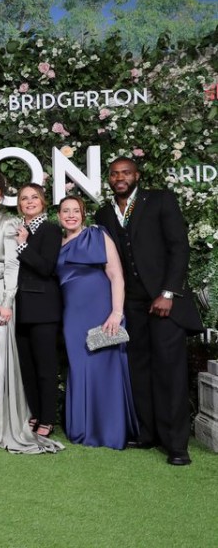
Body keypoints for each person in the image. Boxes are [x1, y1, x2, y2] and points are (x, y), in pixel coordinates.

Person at [94, 157, 204, 465]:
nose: (120, 178)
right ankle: (147, 433)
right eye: (115, 174)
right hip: (132, 305)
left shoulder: (160, 200)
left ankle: (177, 446)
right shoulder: (104, 213)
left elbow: (179, 247)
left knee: (169, 371)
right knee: (138, 370)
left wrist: (168, 292)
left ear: (136, 175)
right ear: (109, 179)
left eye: (125, 173)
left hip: (164, 302)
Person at [0, 172, 62, 453]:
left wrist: (8, 300)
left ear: (1, 195)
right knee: (2, 359)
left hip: (0, 292)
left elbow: (13, 265)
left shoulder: (10, 223)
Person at [57, 195, 137, 450]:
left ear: (83, 214)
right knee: (80, 368)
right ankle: (82, 428)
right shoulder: (56, 244)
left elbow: (116, 274)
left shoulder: (97, 235)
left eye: (75, 211)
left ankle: (110, 431)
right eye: (65, 211)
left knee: (106, 369)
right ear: (58, 216)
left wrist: (116, 312)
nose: (71, 215)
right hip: (72, 316)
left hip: (102, 311)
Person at [14, 183, 64, 441]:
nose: (30, 202)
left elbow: (46, 267)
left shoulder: (51, 229)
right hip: (20, 308)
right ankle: (34, 413)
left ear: (43, 202)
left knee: (45, 366)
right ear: (19, 204)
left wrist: (22, 246)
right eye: (24, 198)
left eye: (34, 197)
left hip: (44, 309)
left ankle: (47, 418)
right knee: (27, 367)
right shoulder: (20, 229)